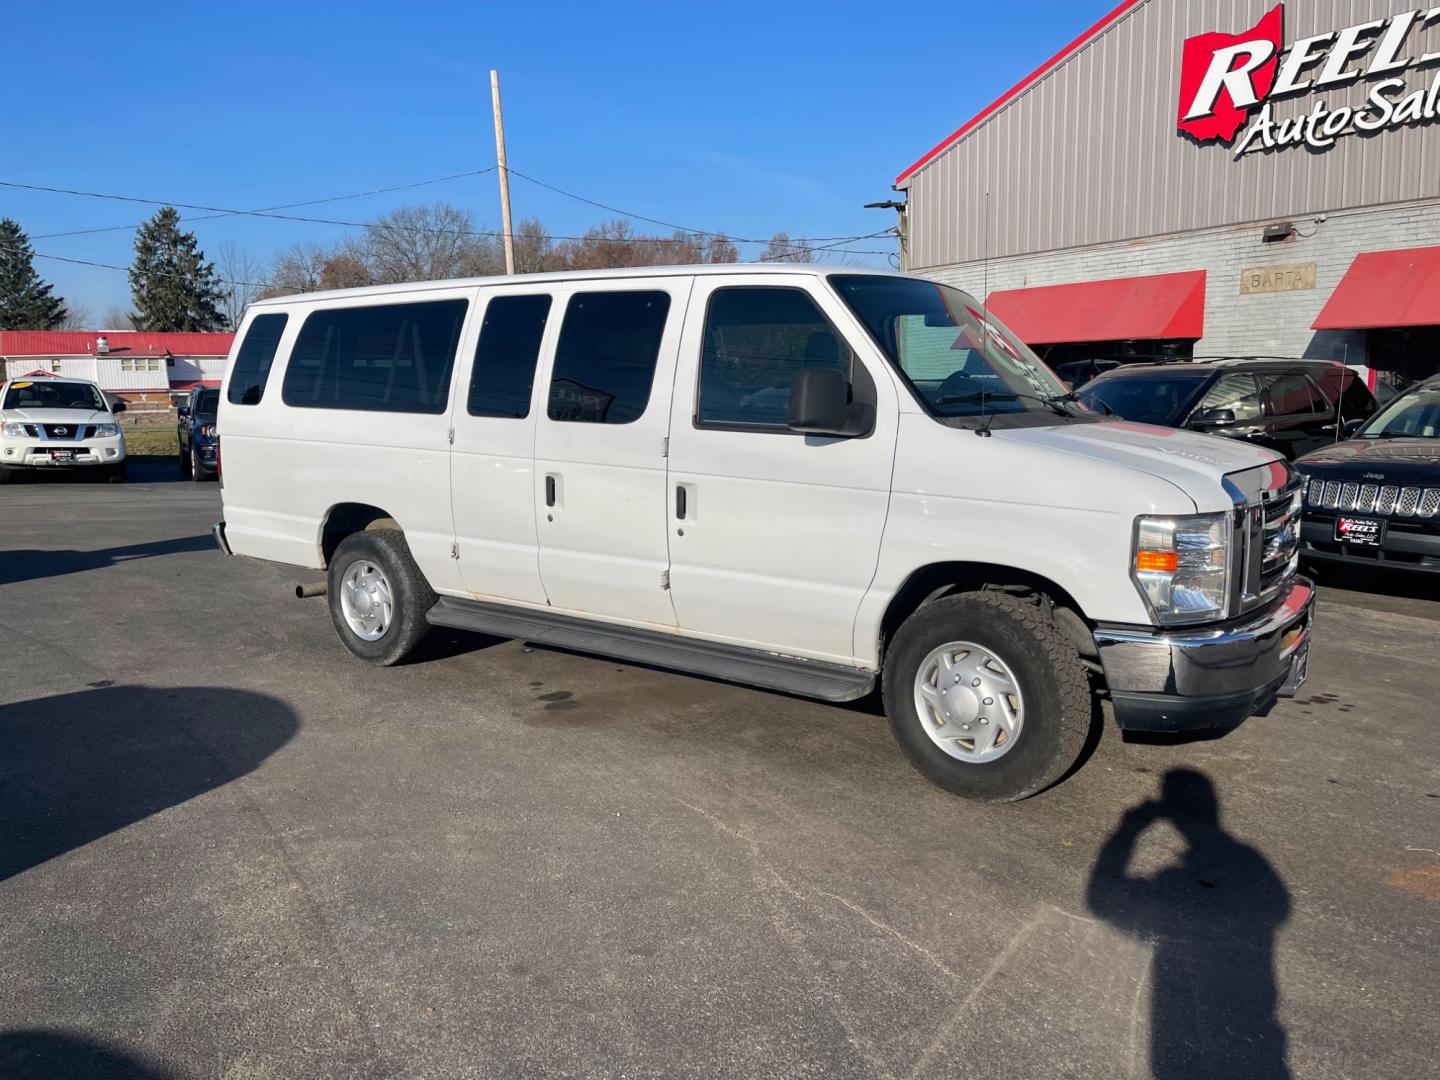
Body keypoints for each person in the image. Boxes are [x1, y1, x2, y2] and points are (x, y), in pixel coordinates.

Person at [1086, 769, 1291, 1080]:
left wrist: (1129, 829)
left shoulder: (1233, 865)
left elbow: (1100, 900)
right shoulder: (1248, 860)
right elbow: (1279, 906)